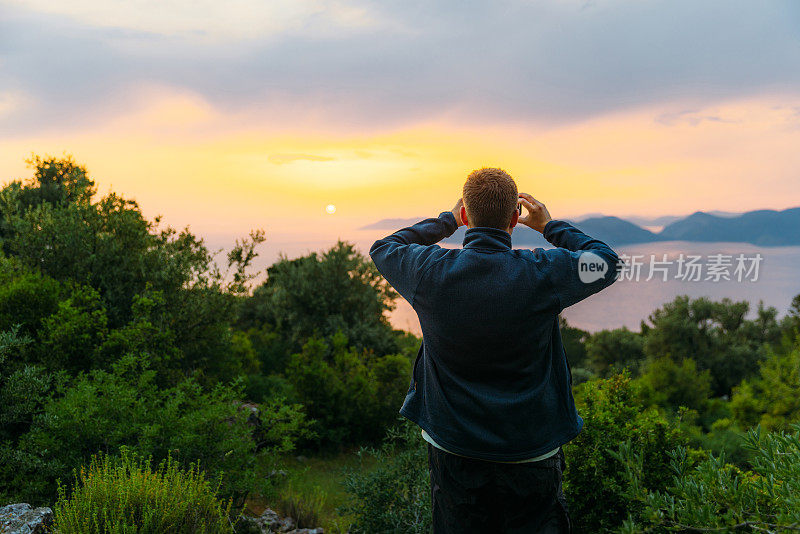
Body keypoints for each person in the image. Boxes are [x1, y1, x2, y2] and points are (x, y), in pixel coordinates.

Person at [369, 167, 620, 533]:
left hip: (455, 451)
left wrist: (445, 222)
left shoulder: (429, 271)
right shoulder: (541, 272)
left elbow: (384, 248)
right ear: (516, 218)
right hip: (531, 450)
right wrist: (551, 227)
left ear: (466, 215)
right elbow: (607, 262)